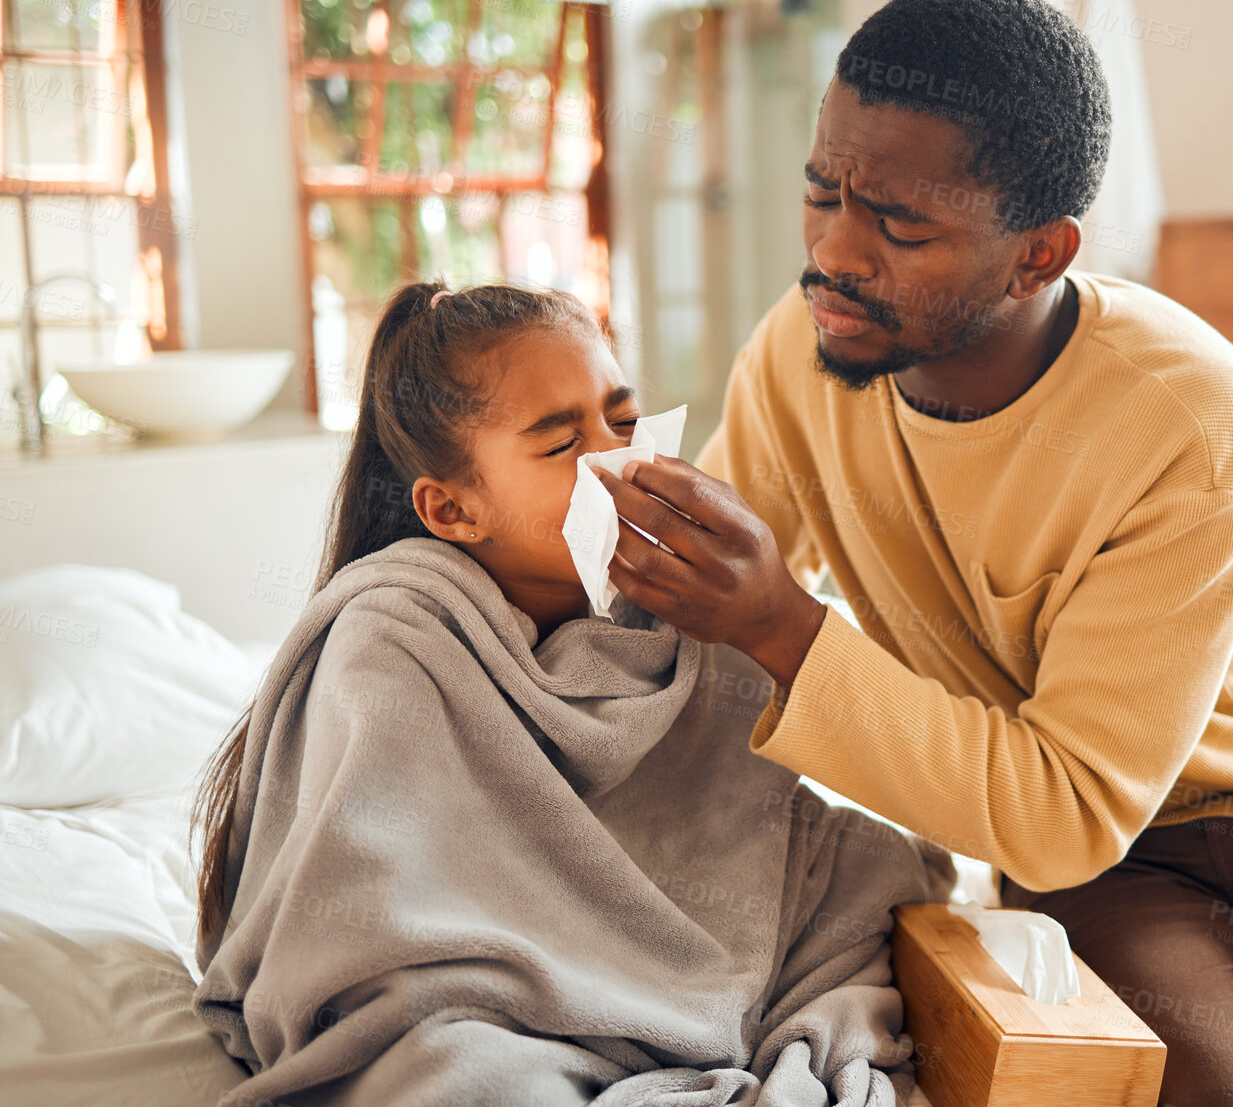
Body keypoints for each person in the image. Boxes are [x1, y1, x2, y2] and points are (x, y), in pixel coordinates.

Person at [589, 0, 1233, 1106]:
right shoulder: (801, 354)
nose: (834, 252)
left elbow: (1058, 797)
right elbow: (674, 600)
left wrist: (785, 627)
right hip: (1120, 869)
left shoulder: (1190, 414)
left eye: (897, 224)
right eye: (819, 191)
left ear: (1039, 255)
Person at [190, 280, 953, 1107]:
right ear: (451, 509)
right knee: (461, 1081)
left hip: (700, 975)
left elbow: (755, 837)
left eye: (623, 422)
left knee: (870, 878)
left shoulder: (693, 609)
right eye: (561, 446)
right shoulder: (396, 636)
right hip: (470, 1004)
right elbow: (374, 919)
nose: (617, 460)